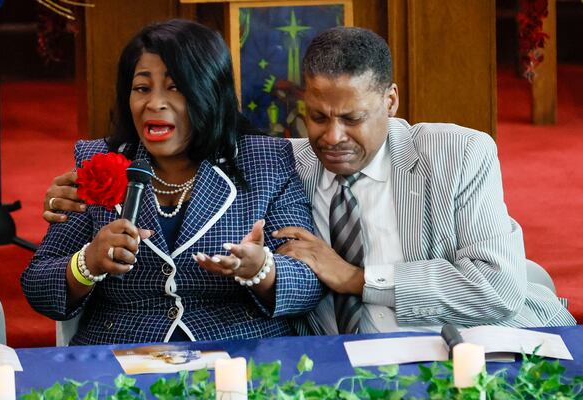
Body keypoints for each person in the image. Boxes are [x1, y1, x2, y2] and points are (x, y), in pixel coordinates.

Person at [43, 26, 576, 335]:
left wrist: (355, 279)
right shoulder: (284, 160)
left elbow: (499, 289)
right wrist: (82, 206)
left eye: (354, 118)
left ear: (390, 102)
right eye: (318, 117)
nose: (333, 137)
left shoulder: (460, 154)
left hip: (472, 350)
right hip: (335, 372)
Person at [22, 19, 323, 345]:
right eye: (142, 88)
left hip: (240, 352)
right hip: (122, 356)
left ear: (208, 91)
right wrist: (88, 262)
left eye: (176, 87)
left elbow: (308, 285)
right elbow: (40, 289)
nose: (155, 103)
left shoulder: (265, 161)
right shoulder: (98, 162)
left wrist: (261, 269)